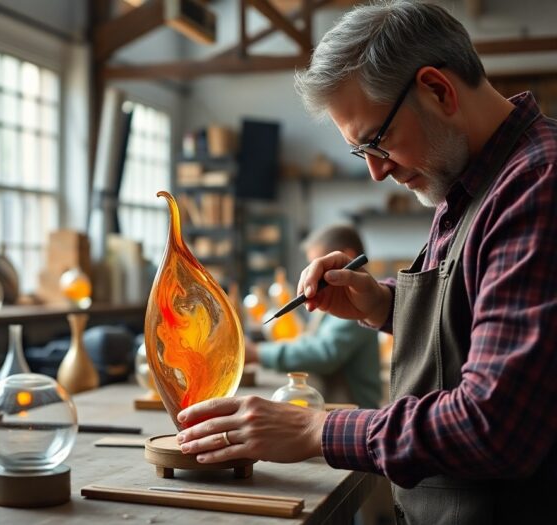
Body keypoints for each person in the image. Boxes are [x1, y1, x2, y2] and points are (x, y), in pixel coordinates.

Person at [175, 2, 557, 523]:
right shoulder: (469, 183)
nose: (376, 172)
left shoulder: (537, 186)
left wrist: (315, 430)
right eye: (362, 154)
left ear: (438, 91)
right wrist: (383, 306)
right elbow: (479, 323)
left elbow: (495, 425)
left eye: (375, 142)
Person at [246, 224, 382, 409]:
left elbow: (323, 353)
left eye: (320, 264)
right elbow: (312, 341)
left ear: (347, 257)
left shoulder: (358, 300)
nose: (312, 274)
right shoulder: (338, 297)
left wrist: (257, 353)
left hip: (357, 413)